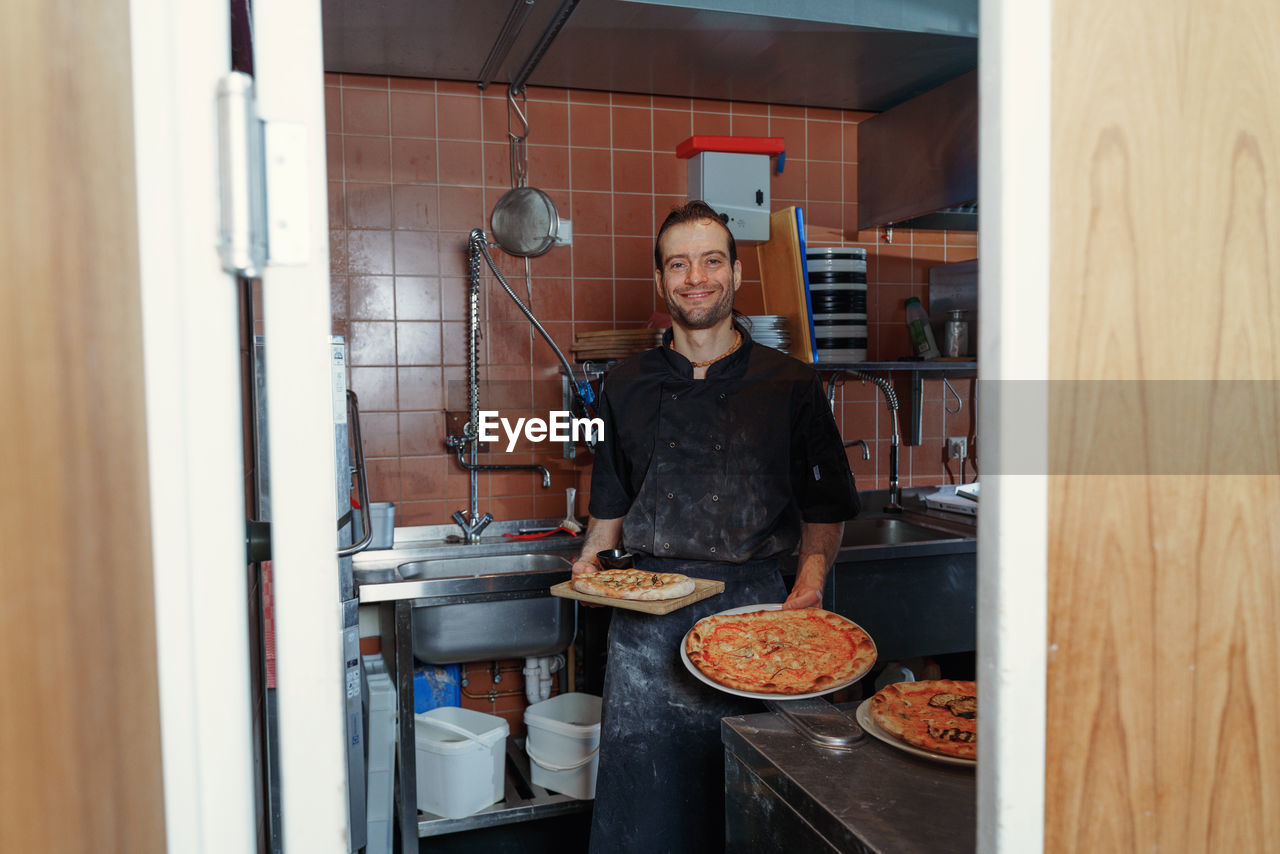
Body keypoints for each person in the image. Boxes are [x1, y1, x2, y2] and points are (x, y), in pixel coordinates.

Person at [573, 200, 860, 853]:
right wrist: (590, 559)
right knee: (645, 819)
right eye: (678, 264)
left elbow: (825, 508)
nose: (694, 277)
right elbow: (612, 498)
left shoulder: (790, 384)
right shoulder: (622, 385)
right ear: (660, 281)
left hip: (758, 618)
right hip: (646, 627)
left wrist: (808, 589)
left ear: (735, 273)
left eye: (710, 261)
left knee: (754, 812)